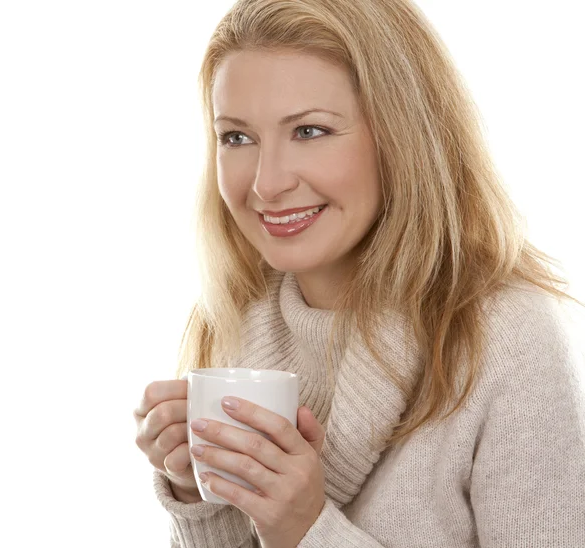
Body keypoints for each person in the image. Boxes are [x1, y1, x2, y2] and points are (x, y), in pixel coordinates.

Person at [133, 0, 585, 546]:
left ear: (402, 138)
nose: (266, 184)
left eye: (309, 131)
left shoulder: (505, 339)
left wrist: (307, 528)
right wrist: (194, 493)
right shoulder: (233, 321)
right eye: (237, 137)